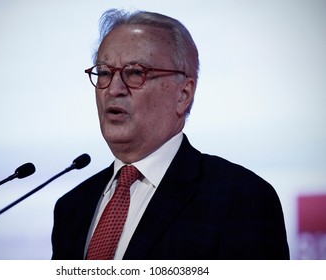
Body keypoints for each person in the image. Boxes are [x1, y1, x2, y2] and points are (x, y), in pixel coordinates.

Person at [51, 9, 289, 260]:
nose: (114, 89)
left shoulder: (241, 198)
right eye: (104, 73)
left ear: (183, 95)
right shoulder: (72, 207)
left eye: (135, 72)